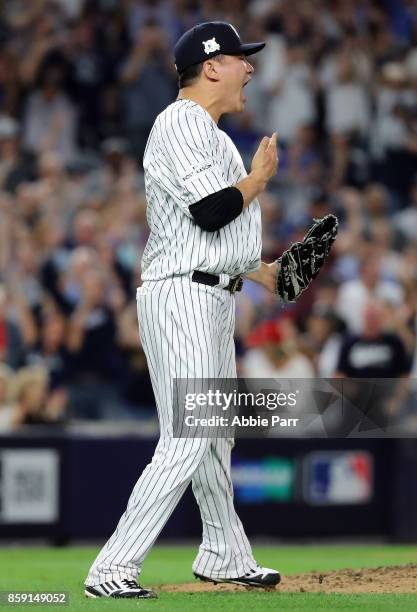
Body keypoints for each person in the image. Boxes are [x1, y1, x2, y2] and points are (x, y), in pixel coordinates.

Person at [85, 21, 283, 599]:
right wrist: (259, 180)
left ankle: (225, 553)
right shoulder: (179, 123)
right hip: (182, 295)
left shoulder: (215, 136)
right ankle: (112, 569)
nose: (249, 67)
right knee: (189, 437)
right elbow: (212, 212)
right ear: (212, 67)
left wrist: (269, 273)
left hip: (213, 293)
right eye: (240, 59)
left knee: (216, 435)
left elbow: (220, 239)